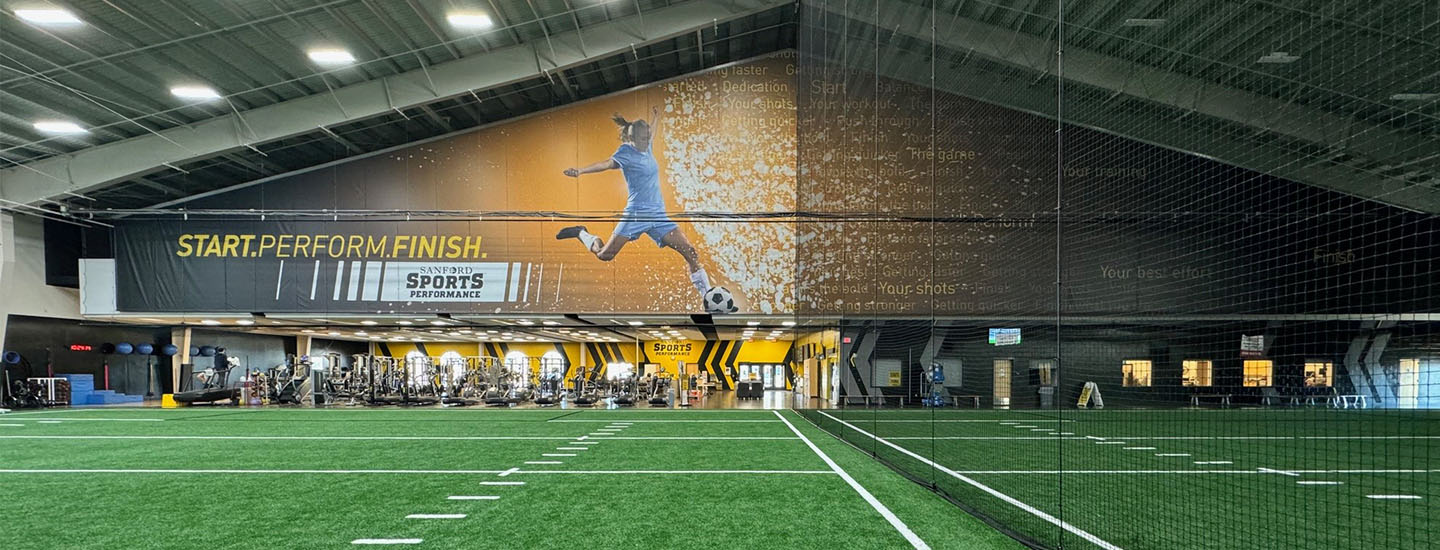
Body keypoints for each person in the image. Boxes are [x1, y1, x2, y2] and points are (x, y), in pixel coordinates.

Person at [556, 106, 732, 311]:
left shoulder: (646, 145)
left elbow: (652, 133)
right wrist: (581, 171)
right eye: (643, 139)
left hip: (658, 216)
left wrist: (656, 118)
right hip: (636, 215)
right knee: (605, 254)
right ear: (632, 138)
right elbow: (605, 164)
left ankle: (708, 300)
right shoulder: (625, 153)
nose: (647, 141)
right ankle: (582, 233)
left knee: (691, 253)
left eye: (648, 138)